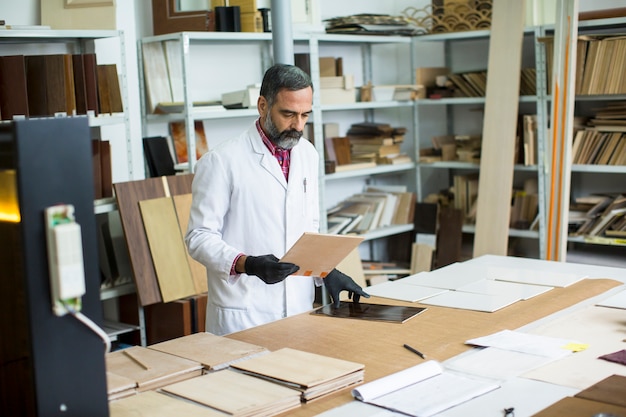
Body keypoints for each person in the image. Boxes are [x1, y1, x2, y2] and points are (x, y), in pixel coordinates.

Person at [186, 63, 369, 336]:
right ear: (262, 105)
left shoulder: (308, 154)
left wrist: (325, 271)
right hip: (244, 312)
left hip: (298, 307)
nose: (298, 125)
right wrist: (247, 263)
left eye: (305, 115)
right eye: (288, 114)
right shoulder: (221, 161)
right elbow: (198, 237)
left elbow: (309, 228)